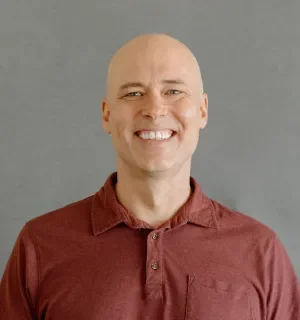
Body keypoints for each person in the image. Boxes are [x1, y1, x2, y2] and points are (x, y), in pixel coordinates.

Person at [0, 33, 299, 320]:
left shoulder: (260, 251)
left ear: (203, 110)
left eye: (174, 91)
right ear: (107, 114)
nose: (155, 109)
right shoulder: (39, 245)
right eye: (133, 93)